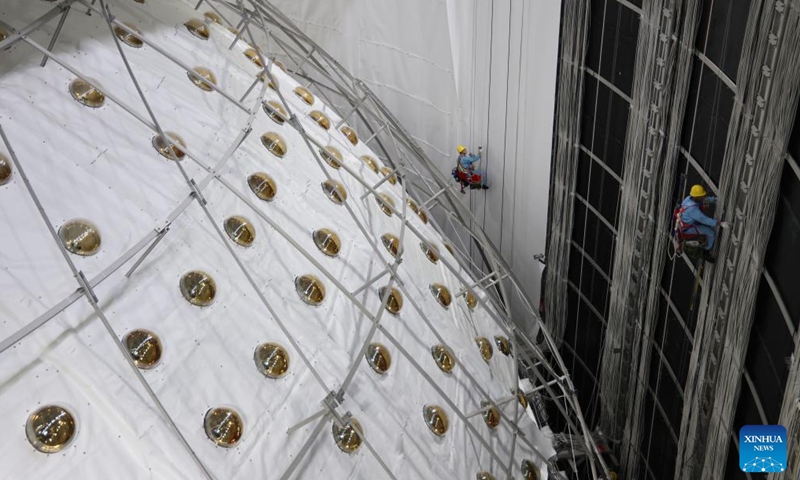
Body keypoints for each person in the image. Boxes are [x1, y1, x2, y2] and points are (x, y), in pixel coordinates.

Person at [677, 184, 728, 262]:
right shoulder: (693, 210)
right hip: (688, 228)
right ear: (696, 197)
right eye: (701, 196)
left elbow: (703, 200)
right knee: (710, 232)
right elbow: (705, 220)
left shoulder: (688, 199)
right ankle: (706, 251)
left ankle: (704, 244)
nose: (702, 197)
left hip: (686, 221)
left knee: (703, 204)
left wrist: (713, 199)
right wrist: (720, 223)